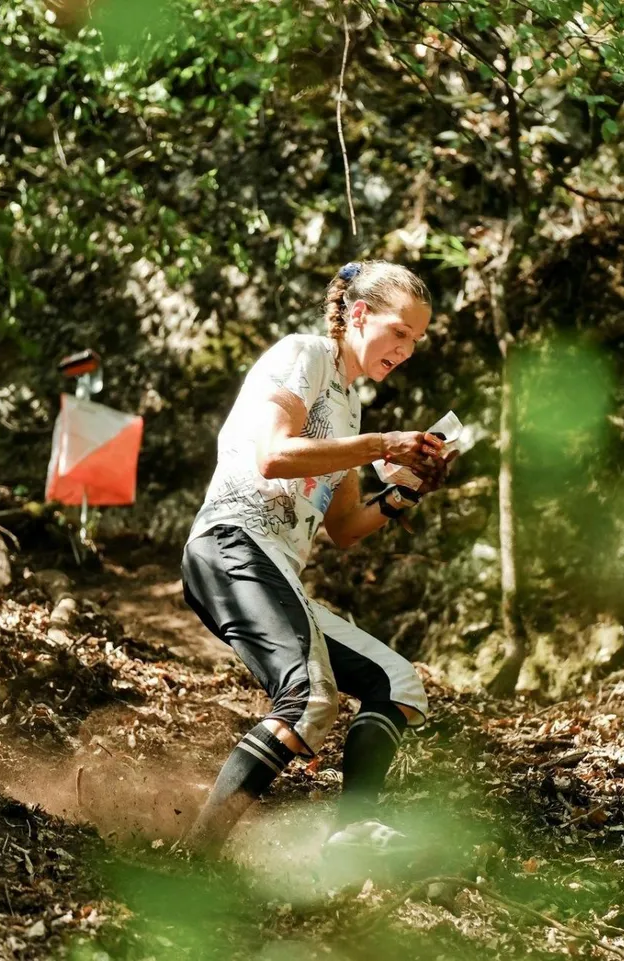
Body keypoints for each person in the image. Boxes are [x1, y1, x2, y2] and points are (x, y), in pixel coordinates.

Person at [181, 260, 456, 859]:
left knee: (398, 684)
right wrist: (384, 444)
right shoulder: (302, 355)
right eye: (400, 333)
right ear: (358, 315)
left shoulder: (349, 406)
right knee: (308, 699)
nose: (407, 350)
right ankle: (194, 858)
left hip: (275, 567)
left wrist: (407, 487)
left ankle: (352, 832)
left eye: (417, 341)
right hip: (233, 543)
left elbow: (345, 528)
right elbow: (274, 456)